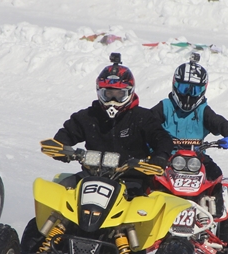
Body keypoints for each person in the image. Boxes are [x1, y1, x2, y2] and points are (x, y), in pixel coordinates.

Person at [44, 53, 174, 195]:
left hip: (131, 180)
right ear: (99, 92)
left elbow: (161, 137)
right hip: (91, 177)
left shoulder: (142, 117)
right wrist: (61, 149)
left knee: (142, 205)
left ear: (129, 93)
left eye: (119, 95)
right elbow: (67, 133)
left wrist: (160, 156)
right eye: (108, 94)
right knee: (57, 193)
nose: (113, 100)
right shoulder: (89, 116)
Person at [150, 56, 228, 185]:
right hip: (165, 154)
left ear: (203, 89)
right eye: (183, 88)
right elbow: (146, 122)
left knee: (216, 176)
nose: (188, 95)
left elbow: (219, 122)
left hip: (196, 158)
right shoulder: (165, 106)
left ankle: (218, 199)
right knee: (147, 176)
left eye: (195, 90)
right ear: (175, 85)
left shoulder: (203, 110)